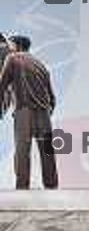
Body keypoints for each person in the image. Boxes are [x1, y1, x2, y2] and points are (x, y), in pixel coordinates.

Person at [0, 35, 58, 189]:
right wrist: (46, 112)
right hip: (44, 113)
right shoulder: (41, 64)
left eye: (10, 45)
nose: (8, 48)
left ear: (17, 46)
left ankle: (22, 189)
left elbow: (2, 84)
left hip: (24, 111)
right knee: (47, 153)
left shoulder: (12, 58)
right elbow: (52, 98)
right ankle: (52, 188)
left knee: (22, 152)